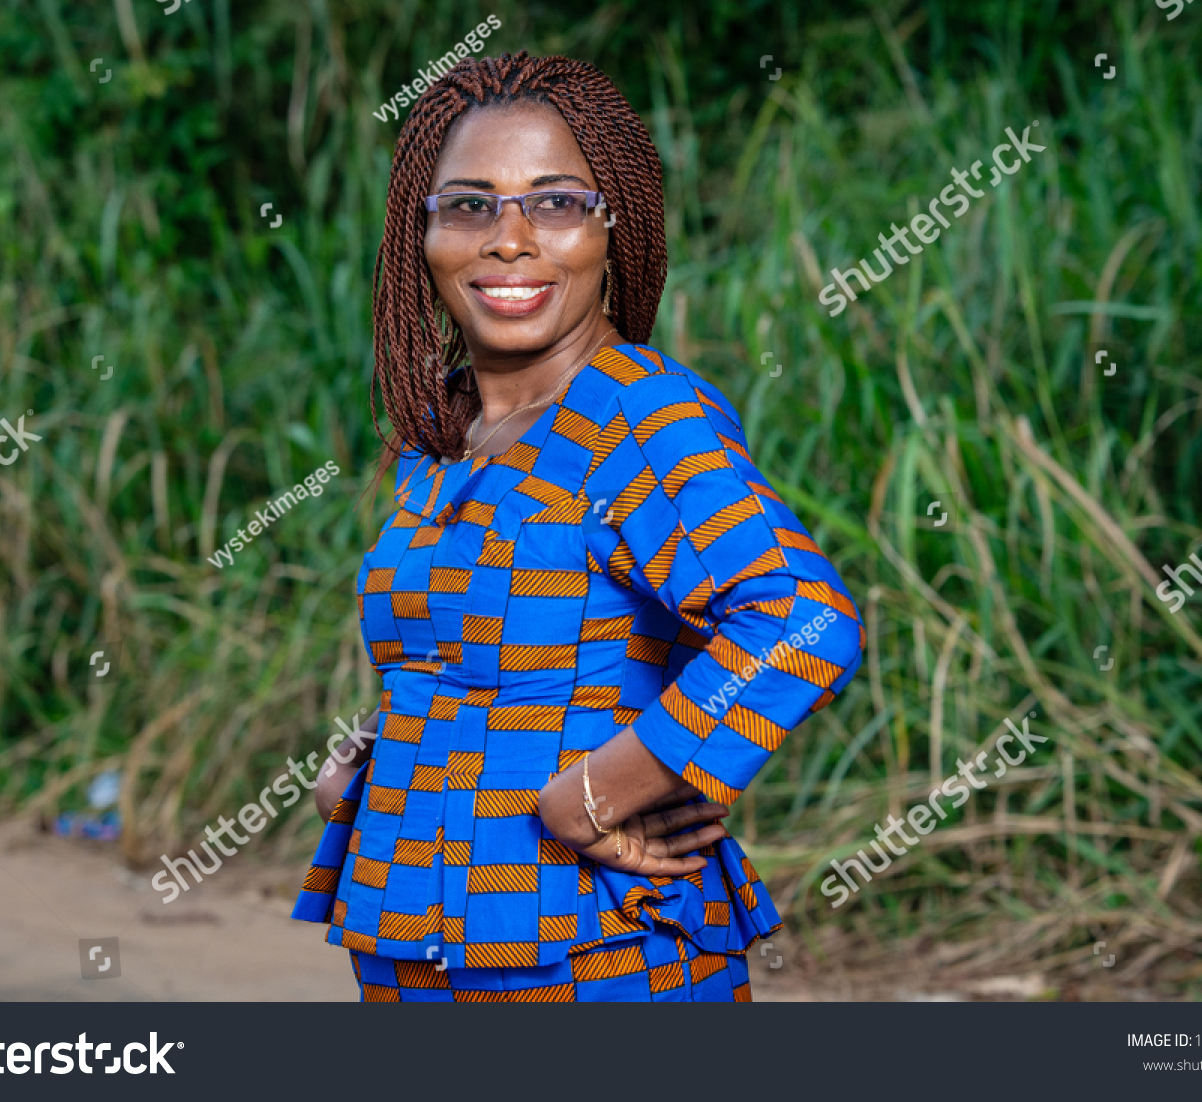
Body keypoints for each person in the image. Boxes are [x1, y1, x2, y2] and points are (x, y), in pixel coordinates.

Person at [293, 51, 864, 1002]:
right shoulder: (446, 430)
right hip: (415, 942)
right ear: (419, 235)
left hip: (596, 953)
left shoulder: (637, 416)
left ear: (614, 227)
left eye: (556, 202)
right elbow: (471, 661)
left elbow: (805, 621)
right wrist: (370, 764)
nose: (509, 239)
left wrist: (591, 797)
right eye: (469, 205)